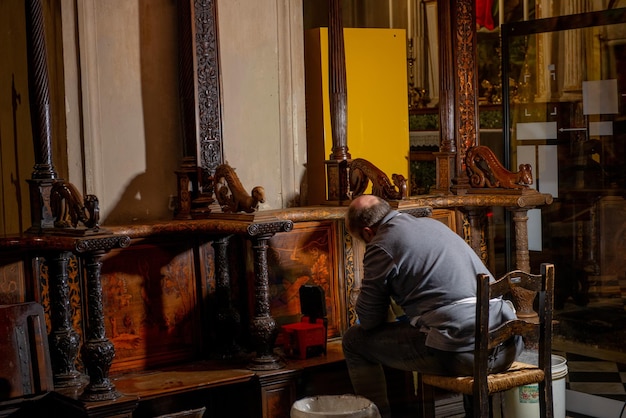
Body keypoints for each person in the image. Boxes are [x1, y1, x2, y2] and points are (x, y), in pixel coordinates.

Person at [342, 195, 523, 417]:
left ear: (368, 232)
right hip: (508, 346)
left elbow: (369, 320)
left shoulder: (382, 244)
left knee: (354, 340)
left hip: (466, 355)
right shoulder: (433, 224)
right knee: (454, 321)